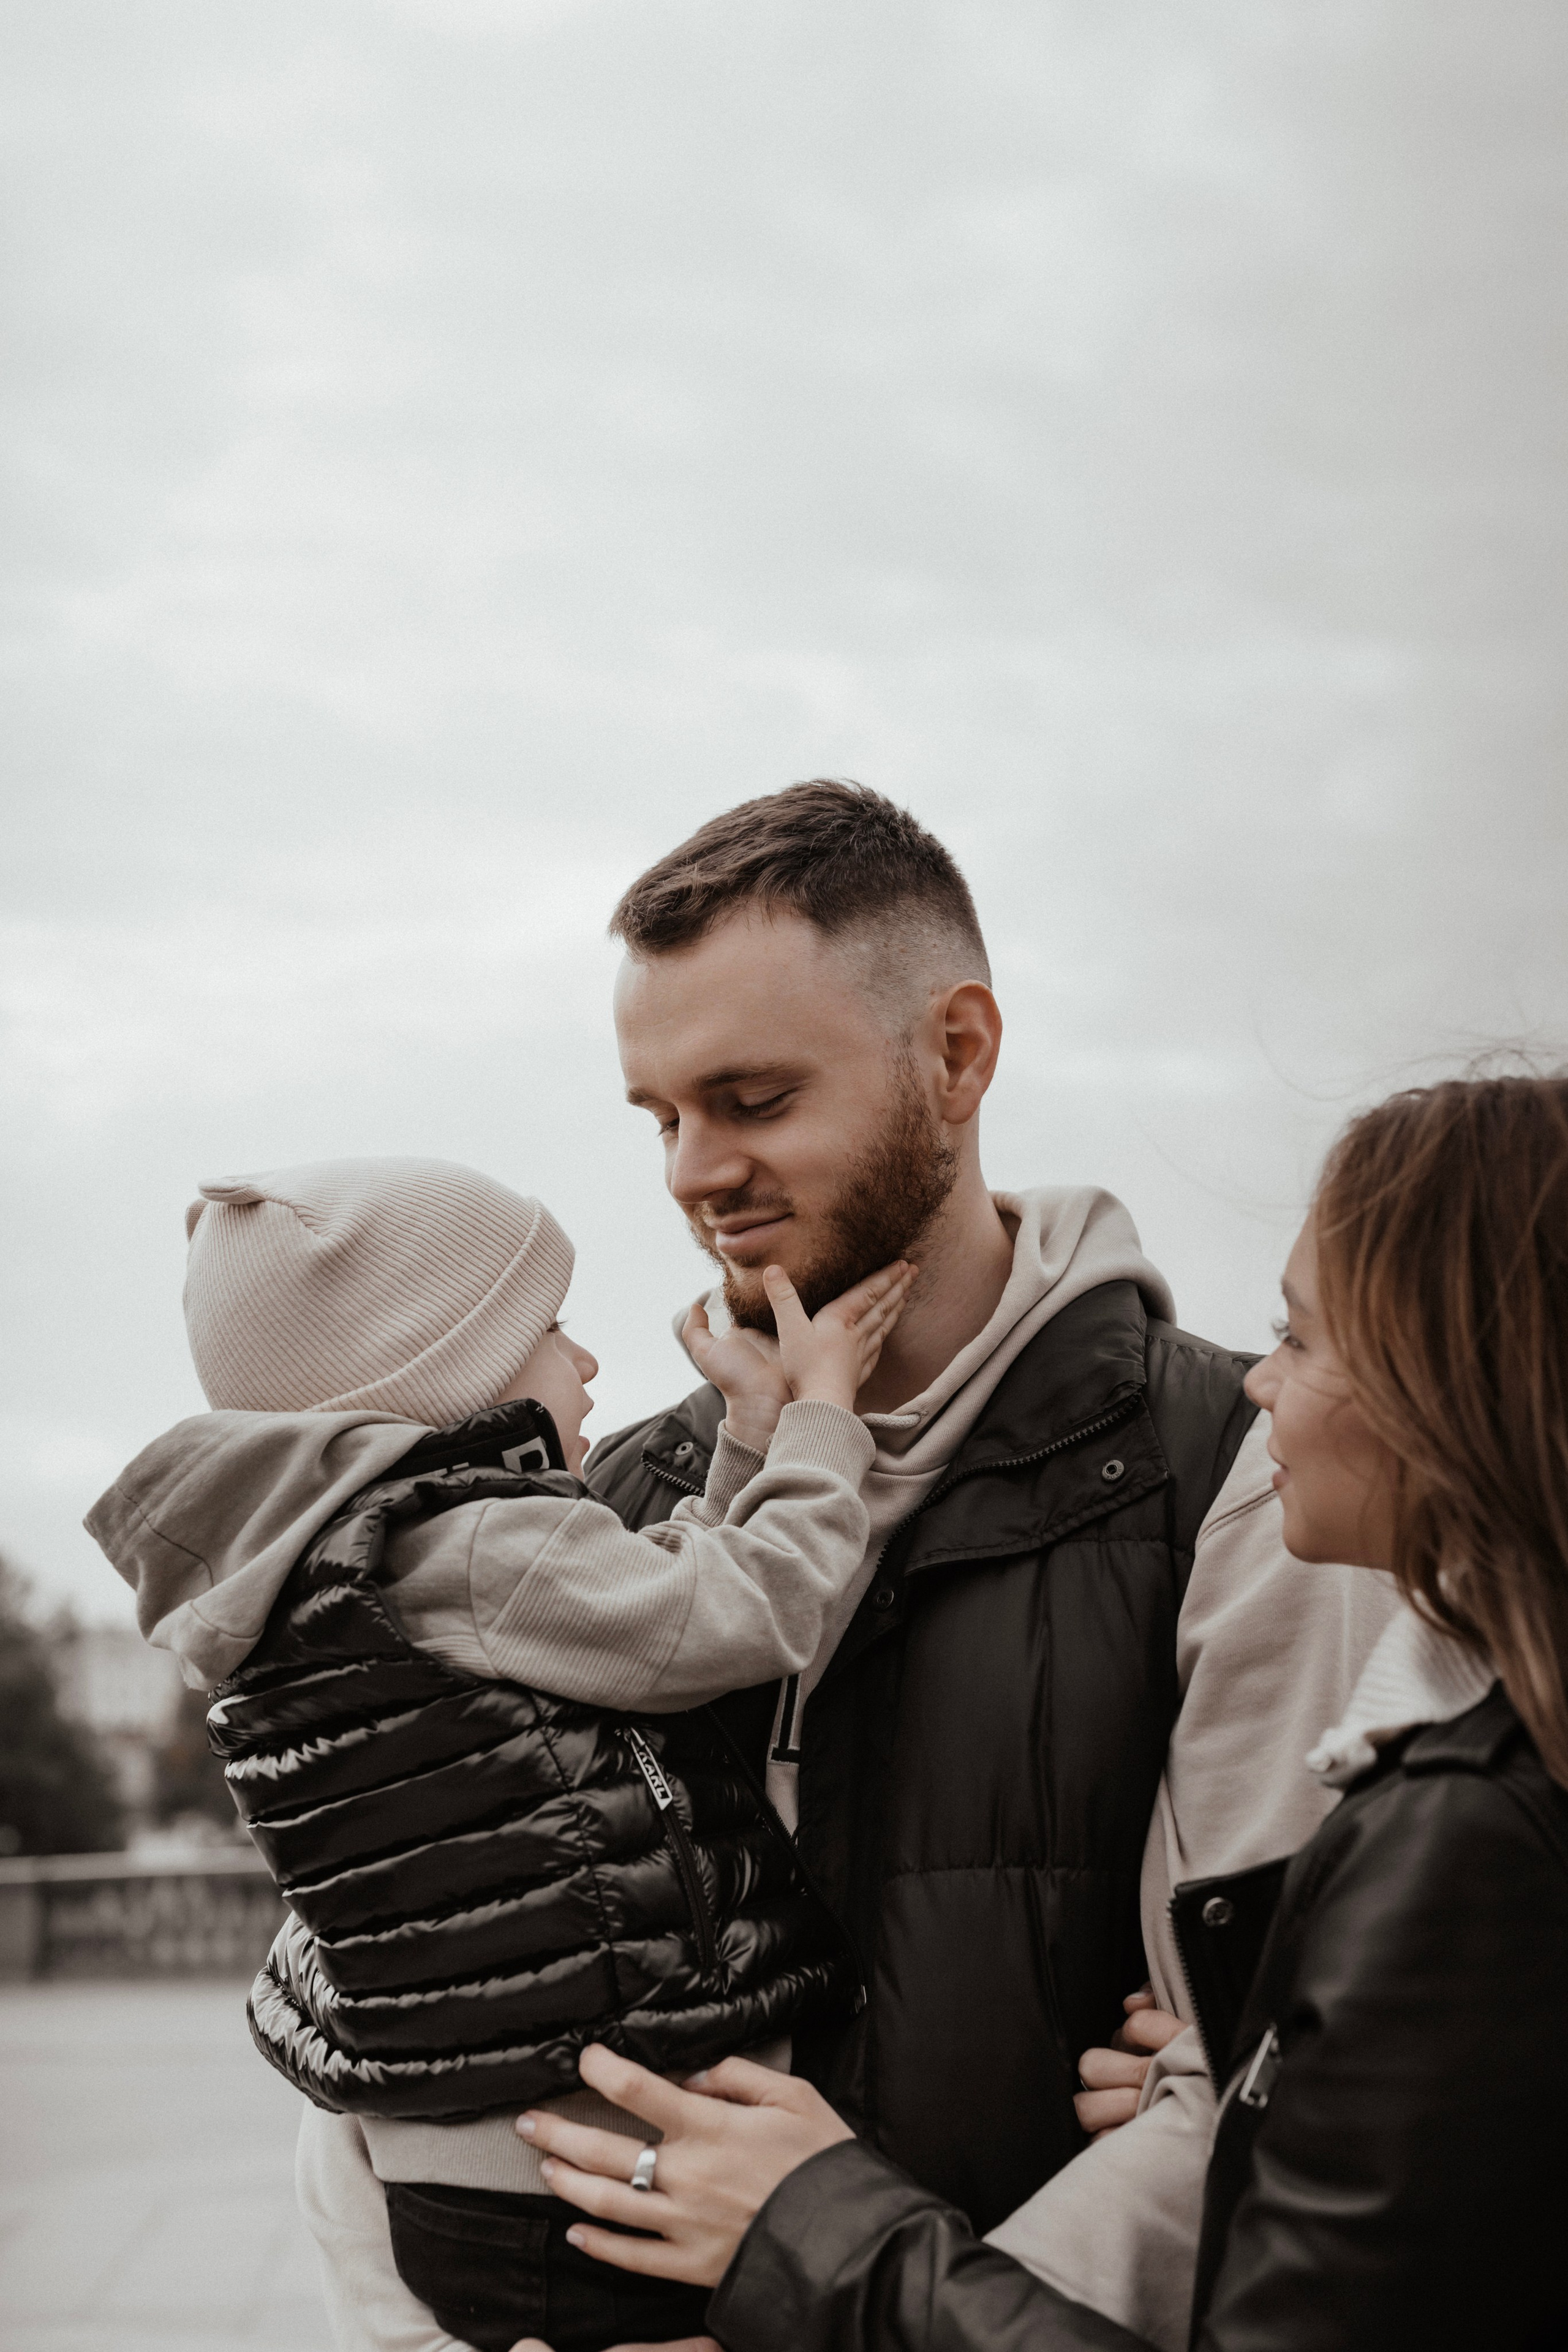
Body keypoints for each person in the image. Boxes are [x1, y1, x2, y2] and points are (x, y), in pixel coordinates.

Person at [516, 1071, 1568, 2352]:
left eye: (1300, 1336)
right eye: (661, 1118)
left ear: (1458, 1382)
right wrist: (1240, 2093)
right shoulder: (1460, 1790)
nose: (1259, 1385)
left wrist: (811, 2226)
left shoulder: (1467, 1835)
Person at [575, 779, 1391, 2324]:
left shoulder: (1242, 1471)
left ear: (955, 1055)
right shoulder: (621, 1505)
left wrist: (839, 2297)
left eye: (751, 1103)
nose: (690, 1172)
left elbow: (1255, 2100)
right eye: (662, 1118)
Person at [85, 1153, 916, 2352]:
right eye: (552, 1326)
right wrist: (820, 1422)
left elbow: (647, 1616)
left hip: (452, 2179)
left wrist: (738, 1439)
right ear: (439, 1374)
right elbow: (740, 1615)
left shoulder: (335, 1574)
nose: (584, 1363)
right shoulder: (480, 1546)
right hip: (587, 2176)